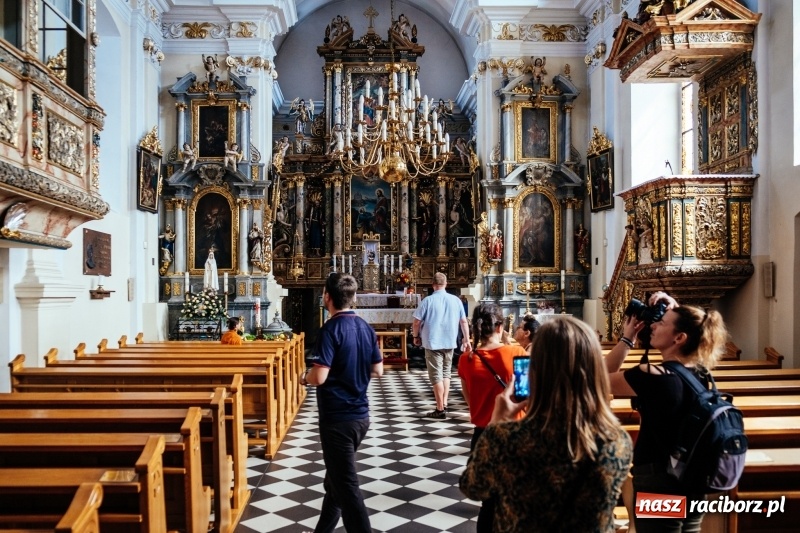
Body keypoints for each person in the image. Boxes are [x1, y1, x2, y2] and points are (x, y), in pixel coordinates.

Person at [460, 316, 633, 532]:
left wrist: (496, 423)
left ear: (534, 371)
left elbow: (473, 488)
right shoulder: (616, 440)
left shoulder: (508, 438)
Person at [606, 292, 729, 533]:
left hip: (660, 481)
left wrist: (627, 338)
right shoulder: (701, 373)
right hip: (693, 477)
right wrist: (677, 310)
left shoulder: (654, 376)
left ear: (680, 338)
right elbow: (696, 326)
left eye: (661, 323)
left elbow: (597, 378)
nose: (653, 324)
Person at [303, 273, 384, 533]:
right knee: (335, 481)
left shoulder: (329, 330)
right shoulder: (366, 327)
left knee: (346, 486)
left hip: (337, 418)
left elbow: (319, 376)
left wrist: (303, 377)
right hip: (361, 416)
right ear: (354, 297)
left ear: (327, 296)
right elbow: (378, 370)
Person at [457, 304, 528, 531]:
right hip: (515, 433)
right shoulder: (517, 353)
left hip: (482, 436)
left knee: (488, 503)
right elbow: (528, 397)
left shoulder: (466, 360)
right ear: (500, 326)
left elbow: (470, 401)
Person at [412, 272, 471, 419]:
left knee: (435, 375)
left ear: (433, 285)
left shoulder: (428, 300)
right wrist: (466, 339)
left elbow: (416, 321)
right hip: (450, 340)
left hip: (433, 342)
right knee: (446, 373)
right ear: (446, 284)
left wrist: (415, 336)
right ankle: (444, 403)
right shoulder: (456, 300)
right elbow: (464, 322)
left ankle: (440, 409)